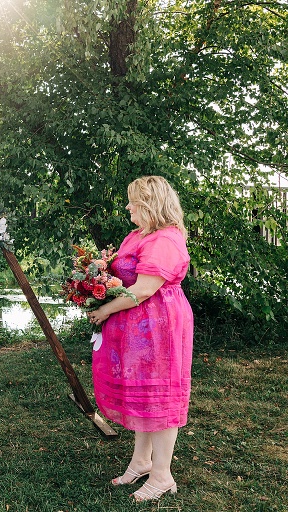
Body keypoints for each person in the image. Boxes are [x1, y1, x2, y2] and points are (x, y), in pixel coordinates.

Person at [87, 176, 194, 502]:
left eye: (134, 201)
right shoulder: (138, 235)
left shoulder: (166, 239)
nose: (129, 206)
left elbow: (145, 289)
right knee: (143, 395)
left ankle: (162, 475)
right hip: (136, 330)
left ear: (151, 204)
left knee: (159, 397)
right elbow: (123, 275)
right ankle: (141, 462)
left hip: (159, 328)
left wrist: (105, 310)